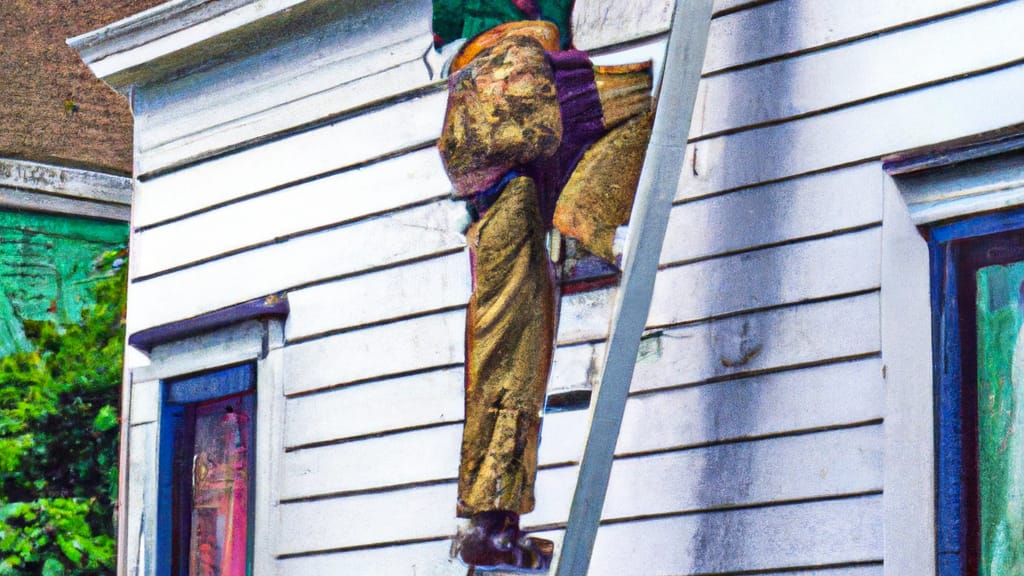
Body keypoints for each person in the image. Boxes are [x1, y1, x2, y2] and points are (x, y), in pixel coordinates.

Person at [434, 1, 653, 570]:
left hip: (481, 131)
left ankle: (494, 519)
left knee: (512, 326)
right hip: (516, 88)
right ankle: (586, 216)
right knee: (641, 102)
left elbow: (446, 27)